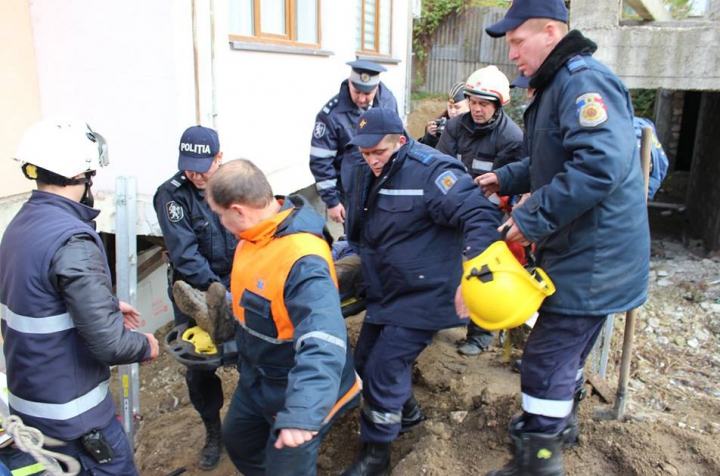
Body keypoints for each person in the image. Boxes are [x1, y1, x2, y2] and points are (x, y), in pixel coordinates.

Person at [480, 1, 650, 474]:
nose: (511, 54)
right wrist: (507, 178)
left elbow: (599, 166)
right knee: (567, 354)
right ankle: (562, 422)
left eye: (517, 41)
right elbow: (554, 159)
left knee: (543, 361)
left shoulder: (581, 81)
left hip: (593, 258)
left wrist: (532, 218)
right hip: (592, 252)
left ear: (550, 31)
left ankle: (538, 460)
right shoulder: (558, 84)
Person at [340, 108, 502, 476]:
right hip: (388, 288)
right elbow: (361, 226)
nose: (372, 160)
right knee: (364, 360)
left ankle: (376, 455)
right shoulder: (365, 168)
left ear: (400, 140)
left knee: (383, 367)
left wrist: (475, 270)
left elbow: (479, 215)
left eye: (378, 152)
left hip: (426, 292)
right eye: (365, 153)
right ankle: (408, 414)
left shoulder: (432, 172)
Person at [0, 118, 159, 475]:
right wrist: (146, 345)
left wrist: (103, 304)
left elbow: (38, 297)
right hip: (78, 422)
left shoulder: (20, 224)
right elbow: (110, 345)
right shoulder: (72, 239)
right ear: (81, 176)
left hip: (32, 410)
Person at [204, 159, 360, 476]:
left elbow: (323, 338)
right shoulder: (254, 238)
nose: (220, 222)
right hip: (259, 377)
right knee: (240, 441)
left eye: (220, 215)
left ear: (238, 210)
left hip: (297, 388)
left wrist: (302, 413)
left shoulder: (302, 258)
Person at [153, 125, 238, 470]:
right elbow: (186, 256)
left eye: (203, 165)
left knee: (251, 351)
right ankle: (213, 430)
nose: (195, 173)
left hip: (239, 280)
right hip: (193, 291)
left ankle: (256, 420)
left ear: (219, 157)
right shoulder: (172, 195)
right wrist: (219, 294)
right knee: (200, 365)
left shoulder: (235, 183)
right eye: (188, 165)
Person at [435, 66, 525, 357]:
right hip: (450, 207)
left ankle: (480, 333)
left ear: (498, 105)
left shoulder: (511, 137)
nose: (476, 108)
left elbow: (505, 185)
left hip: (487, 213)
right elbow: (440, 166)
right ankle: (434, 319)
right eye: (473, 102)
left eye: (483, 104)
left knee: (482, 270)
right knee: (439, 263)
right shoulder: (454, 126)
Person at [309, 60, 398, 224]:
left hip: (384, 185)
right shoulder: (331, 115)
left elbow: (397, 141)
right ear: (349, 82)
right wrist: (332, 202)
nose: (362, 98)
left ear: (376, 87)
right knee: (356, 241)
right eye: (357, 91)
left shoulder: (388, 101)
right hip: (350, 191)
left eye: (367, 93)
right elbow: (320, 161)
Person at [418, 81, 469, 148]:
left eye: (457, 107)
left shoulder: (476, 127)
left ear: (469, 105)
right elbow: (423, 151)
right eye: (450, 107)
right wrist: (430, 137)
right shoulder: (441, 124)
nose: (453, 111)